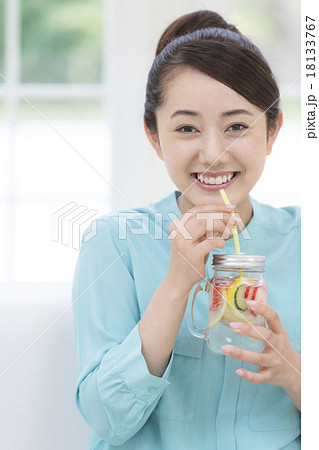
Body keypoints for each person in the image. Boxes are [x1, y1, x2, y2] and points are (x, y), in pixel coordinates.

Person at [72, 10, 301, 450]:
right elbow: (105, 418)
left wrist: (292, 371)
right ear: (154, 137)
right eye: (186, 128)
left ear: (272, 131)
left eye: (237, 126)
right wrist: (177, 282)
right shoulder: (114, 243)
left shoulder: (305, 242)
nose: (212, 153)